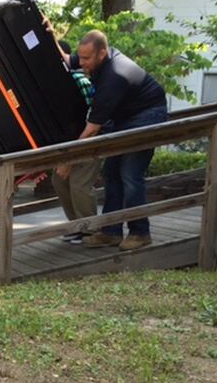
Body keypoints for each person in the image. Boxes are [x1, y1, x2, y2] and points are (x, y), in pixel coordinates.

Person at [46, 23, 168, 251]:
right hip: (125, 118)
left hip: (147, 115)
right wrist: (52, 35)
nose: (81, 64)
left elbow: (92, 129)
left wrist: (70, 160)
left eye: (86, 59)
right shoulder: (95, 60)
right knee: (112, 173)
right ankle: (110, 232)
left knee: (130, 174)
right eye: (80, 57)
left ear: (102, 53)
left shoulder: (115, 76)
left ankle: (140, 232)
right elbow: (65, 58)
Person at [51, 40, 98, 245]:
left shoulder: (80, 80)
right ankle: (77, 226)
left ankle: (91, 230)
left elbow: (93, 112)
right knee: (59, 181)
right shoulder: (53, 82)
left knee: (80, 185)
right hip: (68, 142)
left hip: (87, 141)